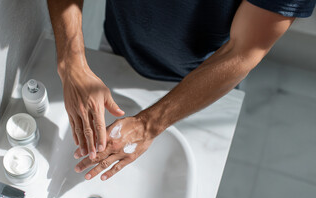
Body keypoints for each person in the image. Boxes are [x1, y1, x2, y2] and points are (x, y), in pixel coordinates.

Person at [47, 0, 315, 181]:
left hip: (200, 85)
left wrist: (148, 125)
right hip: (118, 47)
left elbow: (242, 52)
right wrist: (72, 62)